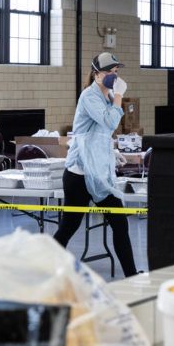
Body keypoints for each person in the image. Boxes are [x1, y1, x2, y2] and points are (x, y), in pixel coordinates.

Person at [53, 52, 139, 277]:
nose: (114, 75)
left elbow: (99, 133)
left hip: (98, 174)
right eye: (109, 72)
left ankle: (131, 275)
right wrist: (119, 95)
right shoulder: (89, 96)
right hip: (79, 174)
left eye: (116, 72)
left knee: (119, 223)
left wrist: (111, 151)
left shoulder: (108, 96)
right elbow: (110, 121)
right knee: (68, 227)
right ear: (96, 74)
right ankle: (45, 269)